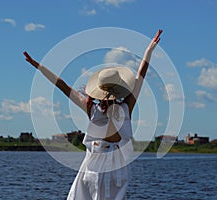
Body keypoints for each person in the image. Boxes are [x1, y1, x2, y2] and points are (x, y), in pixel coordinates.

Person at [24, 29, 162, 200]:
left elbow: (141, 75)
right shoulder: (103, 108)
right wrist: (40, 67)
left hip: (110, 167)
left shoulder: (117, 107)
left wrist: (149, 50)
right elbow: (63, 86)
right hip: (96, 166)